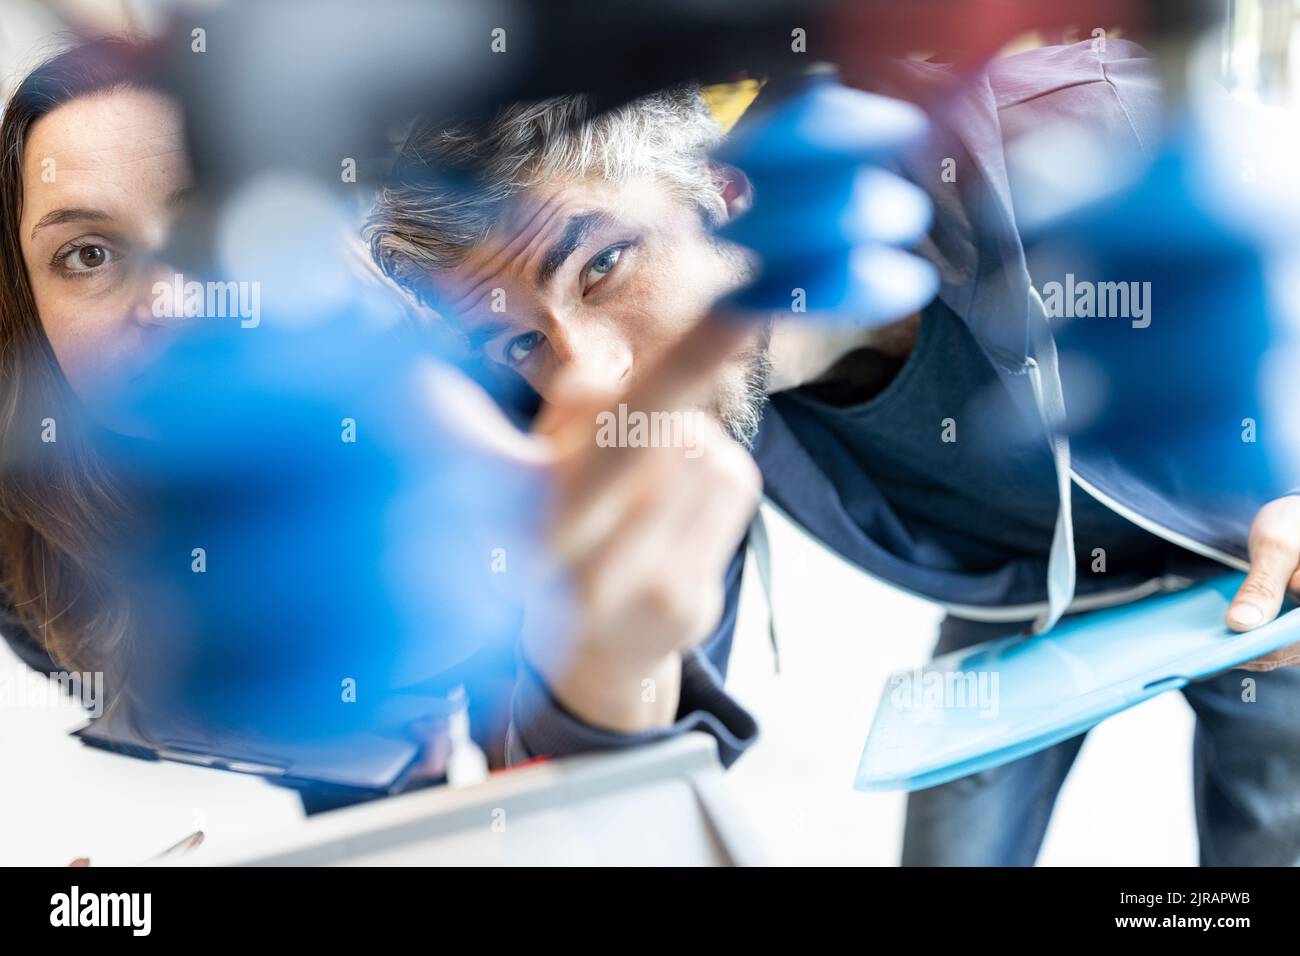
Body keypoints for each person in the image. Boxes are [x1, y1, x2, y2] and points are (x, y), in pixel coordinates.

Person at [365, 38, 1300, 865]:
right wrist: (608, 661)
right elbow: (594, 781)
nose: (588, 369)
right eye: (517, 340)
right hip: (1020, 596)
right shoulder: (589, 398)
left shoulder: (1060, 130)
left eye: (601, 265)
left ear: (726, 190)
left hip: (1262, 569)